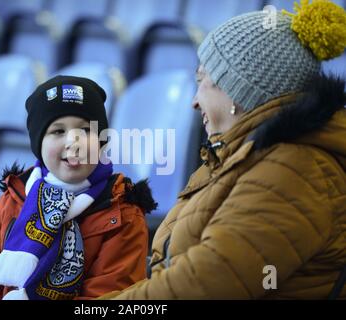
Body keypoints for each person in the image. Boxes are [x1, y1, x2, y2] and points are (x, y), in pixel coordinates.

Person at [100, 0, 346, 299]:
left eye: (203, 81)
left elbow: (199, 286)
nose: (193, 101)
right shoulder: (239, 156)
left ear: (236, 92)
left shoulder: (294, 171)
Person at [0, 75, 156, 300]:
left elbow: (109, 297)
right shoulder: (13, 200)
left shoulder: (124, 213)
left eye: (86, 130)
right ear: (39, 145)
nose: (73, 142)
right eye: (58, 131)